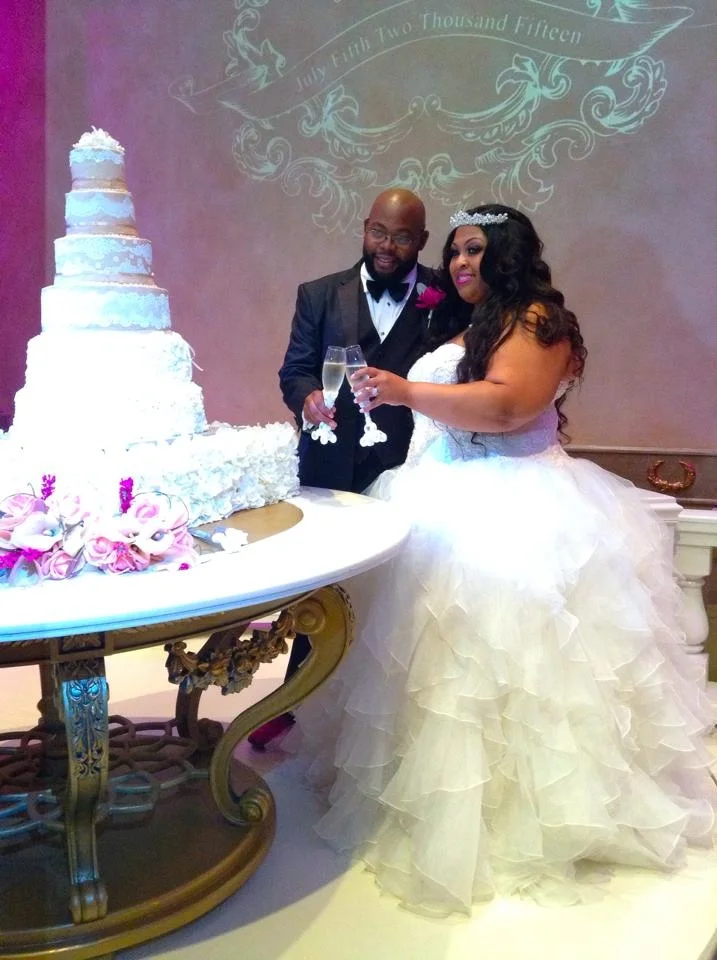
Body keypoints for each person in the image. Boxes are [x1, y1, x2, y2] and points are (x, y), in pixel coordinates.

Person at [288, 204, 717, 915]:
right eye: (454, 252)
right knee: (434, 667)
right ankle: (424, 799)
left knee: (521, 663)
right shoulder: (465, 323)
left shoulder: (537, 321)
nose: (458, 264)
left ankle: (530, 813)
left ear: (508, 253)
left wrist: (403, 390)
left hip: (520, 504)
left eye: (475, 250)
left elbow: (505, 407)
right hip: (441, 493)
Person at [249, 188, 435, 748]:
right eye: (379, 231)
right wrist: (306, 398)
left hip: (409, 464)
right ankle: (297, 698)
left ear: (421, 241)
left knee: (401, 589)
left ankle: (390, 715)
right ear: (364, 228)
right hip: (330, 464)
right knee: (323, 588)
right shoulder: (318, 294)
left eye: (402, 236)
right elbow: (294, 371)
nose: (387, 246)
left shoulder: (444, 295)